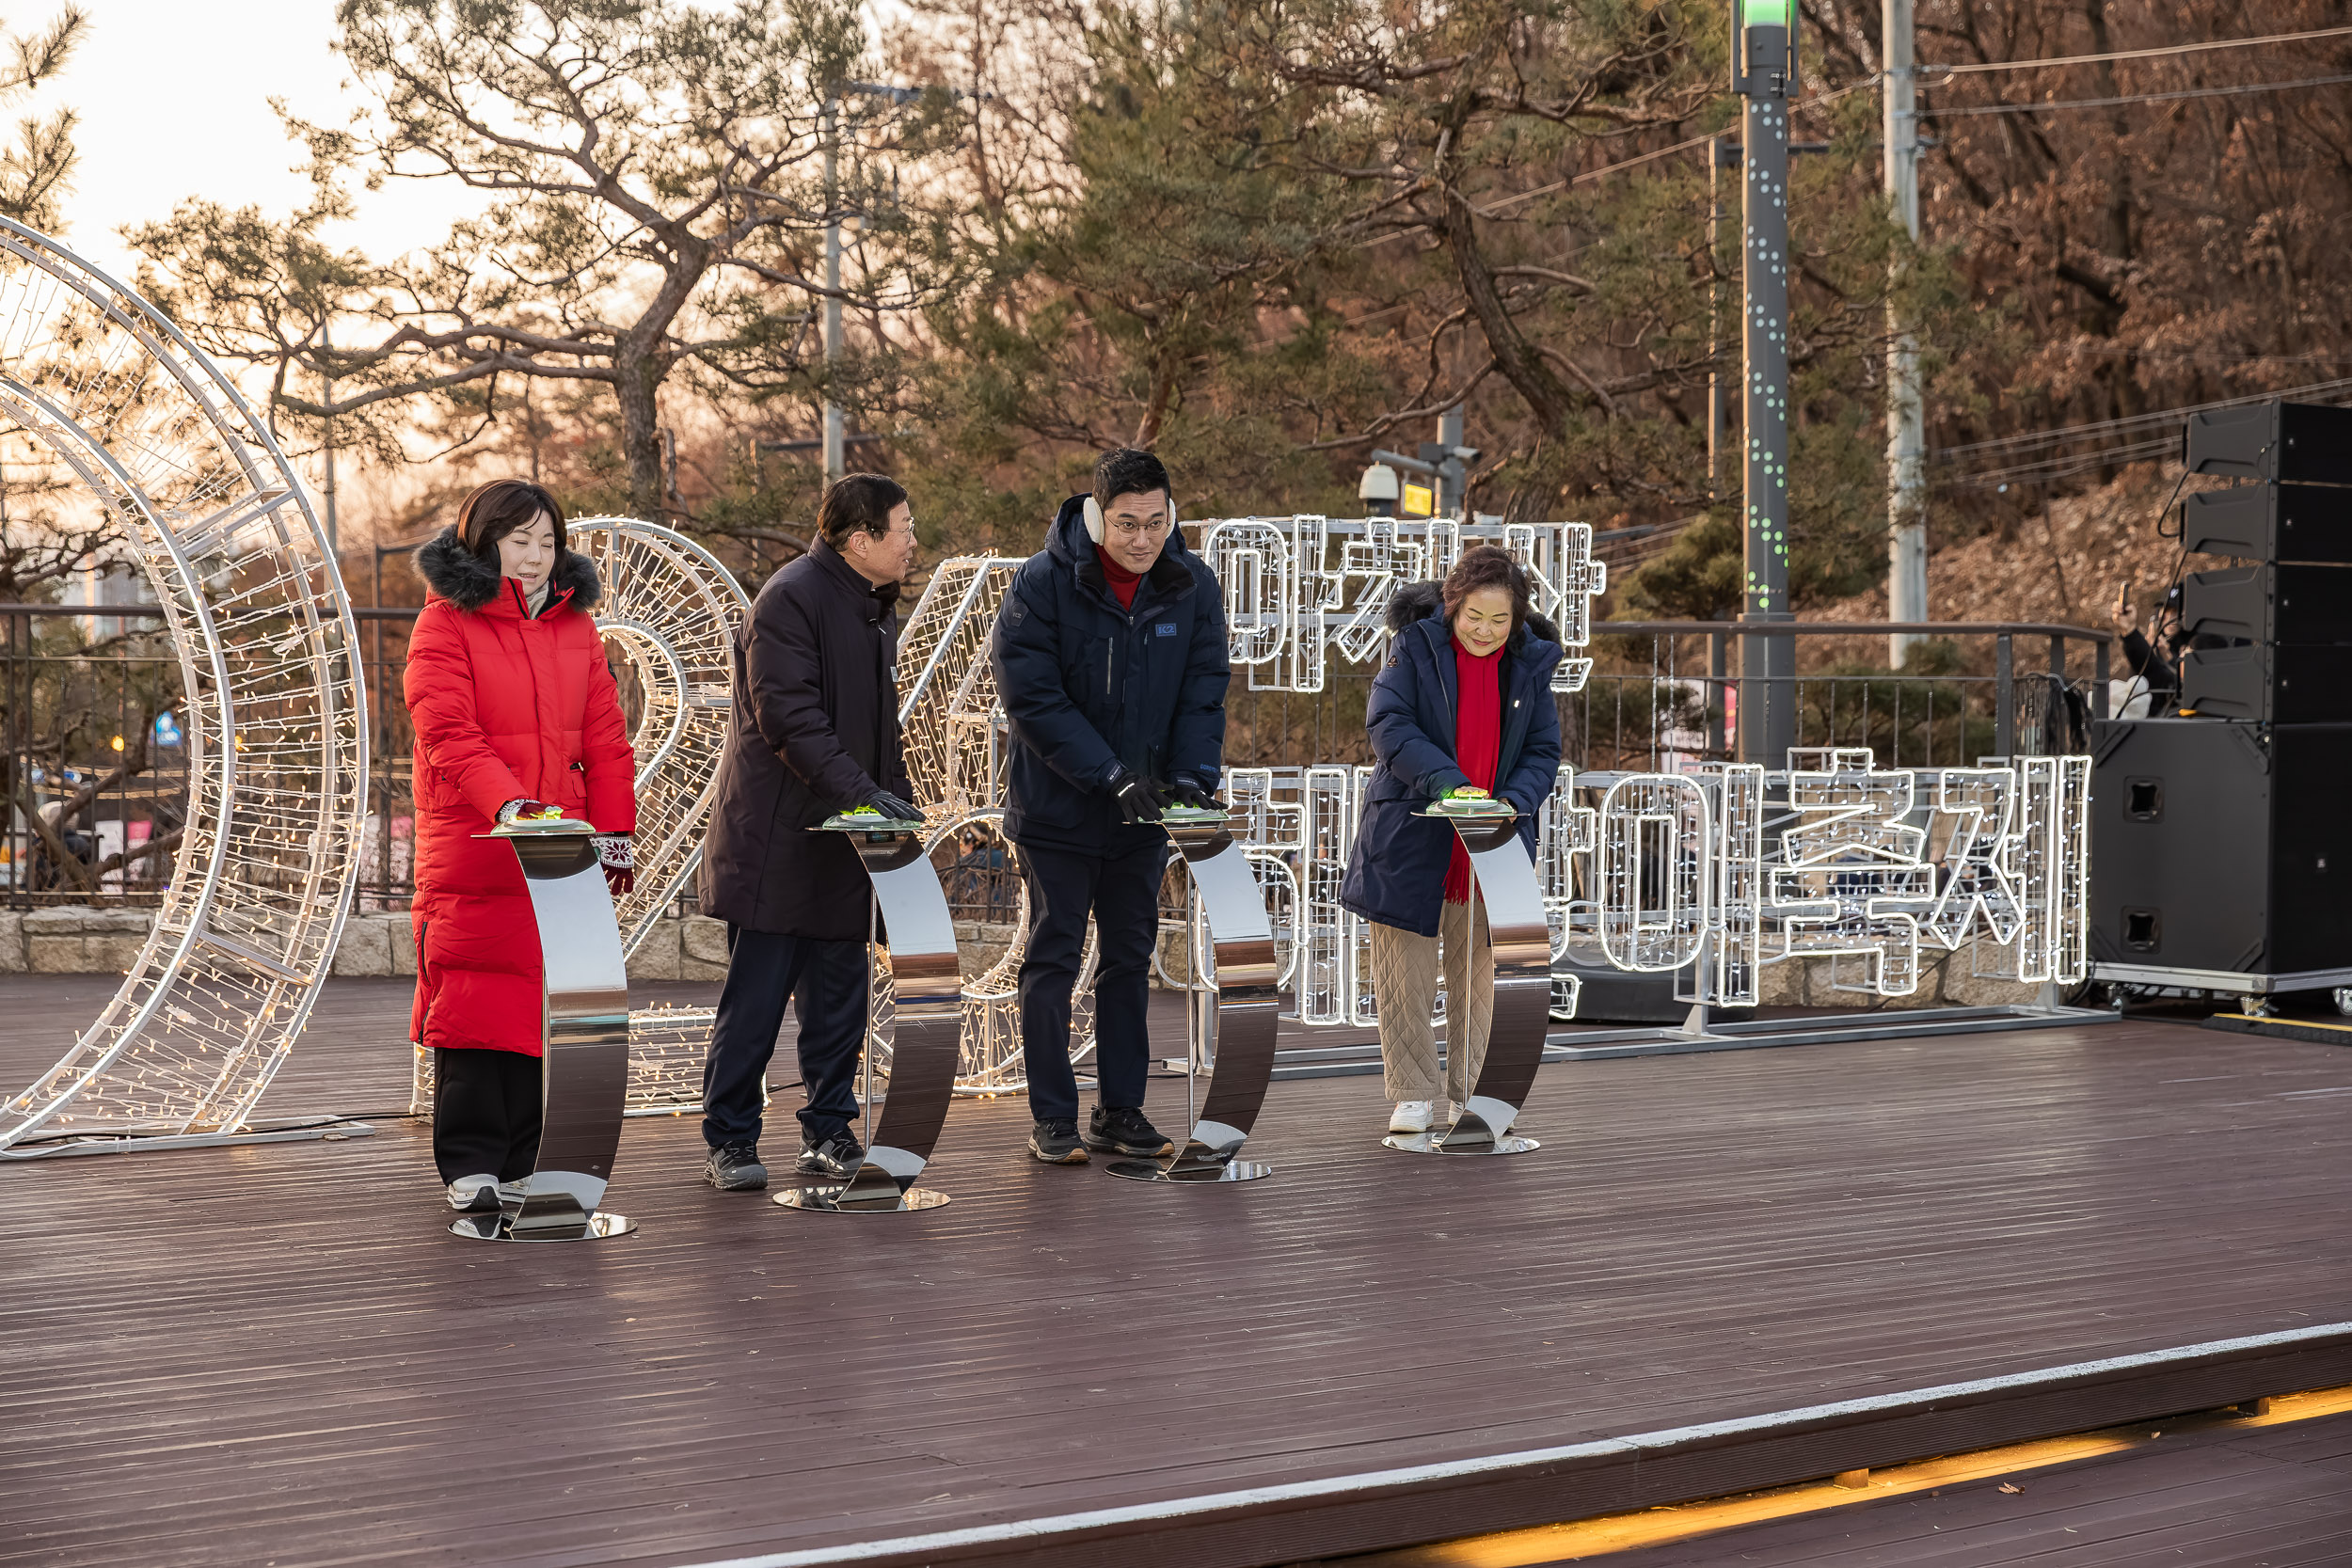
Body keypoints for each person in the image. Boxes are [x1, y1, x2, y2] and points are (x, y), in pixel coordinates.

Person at [990, 447, 1231, 1164]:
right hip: (1058, 811)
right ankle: (1053, 1117)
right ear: (1096, 516)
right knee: (1055, 955)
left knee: (1129, 958)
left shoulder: (1191, 586)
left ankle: (1120, 1108)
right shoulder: (1041, 583)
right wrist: (1106, 773)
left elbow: (1203, 689)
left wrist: (1189, 777)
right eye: (1127, 523)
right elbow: (1031, 697)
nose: (1142, 539)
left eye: (1156, 522)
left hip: (1143, 817)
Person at [405, 479, 637, 1212]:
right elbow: (447, 732)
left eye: (548, 541)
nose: (536, 556)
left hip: (557, 849)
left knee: (540, 1005)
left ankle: (523, 1158)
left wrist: (616, 832)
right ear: (484, 541)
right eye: (519, 541)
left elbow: (605, 738)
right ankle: (470, 1162)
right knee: (476, 999)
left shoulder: (576, 629)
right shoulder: (443, 624)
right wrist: (510, 805)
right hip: (477, 840)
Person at [697, 473, 922, 1192]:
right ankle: (730, 1139)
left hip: (844, 844)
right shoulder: (790, 598)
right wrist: (866, 797)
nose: (914, 541)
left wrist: (896, 806)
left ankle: (830, 1130)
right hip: (778, 842)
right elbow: (789, 719)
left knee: (839, 1002)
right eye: (904, 528)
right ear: (861, 540)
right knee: (756, 1003)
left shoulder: (873, 608)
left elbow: (879, 736)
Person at [1340, 546, 1562, 1136]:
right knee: (1403, 970)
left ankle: (1474, 1094)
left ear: (1516, 620)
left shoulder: (1531, 666)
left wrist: (1514, 801)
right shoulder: (1413, 649)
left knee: (1480, 974)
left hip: (1493, 839)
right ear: (1452, 606)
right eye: (1473, 617)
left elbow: (1544, 750)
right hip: (1411, 833)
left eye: (1499, 620)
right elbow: (1390, 725)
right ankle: (1412, 1095)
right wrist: (1451, 787)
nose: (1485, 631)